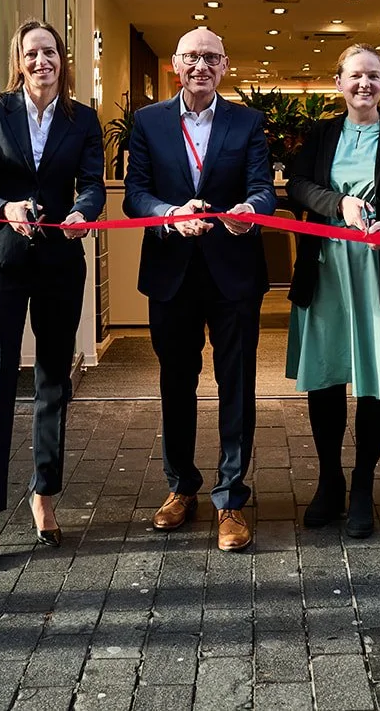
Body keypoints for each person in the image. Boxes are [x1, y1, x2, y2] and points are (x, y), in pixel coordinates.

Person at [0, 20, 104, 569]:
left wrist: (83, 212)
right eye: (32, 53)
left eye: (51, 52)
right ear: (18, 61)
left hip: (60, 261)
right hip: (1, 262)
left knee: (53, 382)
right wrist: (3, 208)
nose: (43, 61)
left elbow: (92, 184)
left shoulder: (82, 119)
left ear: (63, 59)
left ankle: (44, 495)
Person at [123, 28, 275, 552]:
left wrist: (249, 210)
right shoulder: (148, 122)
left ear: (225, 65)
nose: (200, 66)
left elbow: (263, 188)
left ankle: (230, 498)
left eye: (211, 57)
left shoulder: (248, 122)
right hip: (172, 272)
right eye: (191, 57)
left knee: (237, 386)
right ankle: (181, 487)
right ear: (176, 64)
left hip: (234, 272)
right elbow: (135, 195)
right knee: (175, 383)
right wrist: (169, 214)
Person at [287, 45, 380, 537]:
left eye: (373, 75)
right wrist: (337, 204)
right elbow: (297, 186)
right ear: (339, 83)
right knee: (326, 377)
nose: (364, 83)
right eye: (355, 76)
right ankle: (329, 480)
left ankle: (363, 484)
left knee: (377, 378)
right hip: (326, 269)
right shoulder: (321, 133)